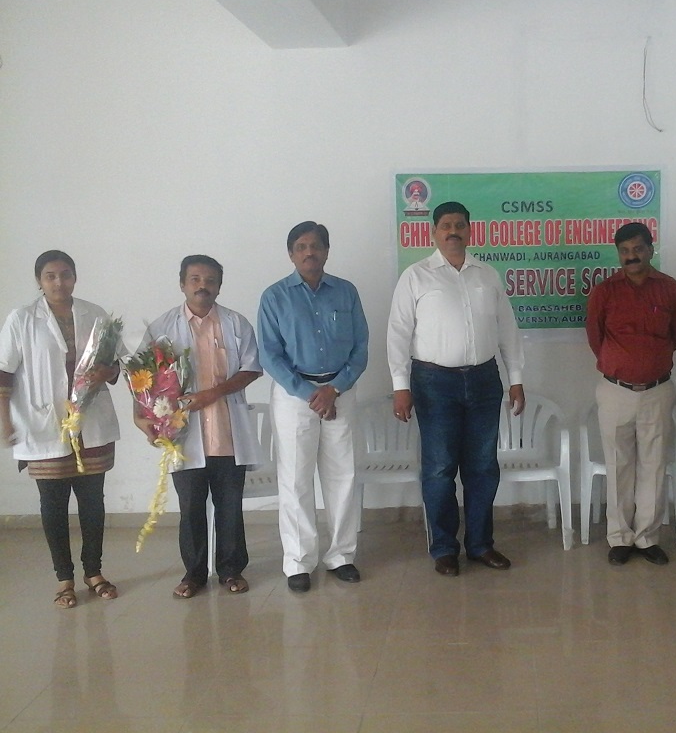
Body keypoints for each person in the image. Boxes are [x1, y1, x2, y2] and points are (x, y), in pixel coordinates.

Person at [387, 200, 525, 577]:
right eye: (446, 225)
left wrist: (516, 379)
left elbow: (508, 330)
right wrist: (400, 386)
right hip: (434, 383)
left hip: (484, 380)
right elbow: (398, 333)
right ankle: (444, 548)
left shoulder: (487, 275)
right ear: (434, 232)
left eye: (459, 225)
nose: (453, 231)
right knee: (439, 469)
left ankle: (480, 545)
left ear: (469, 230)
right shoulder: (416, 276)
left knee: (483, 467)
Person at [0, 251, 120, 608]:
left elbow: (117, 365)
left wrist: (106, 372)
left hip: (90, 422)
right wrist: (4, 419)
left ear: (75, 277)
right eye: (50, 276)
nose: (59, 282)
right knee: (53, 505)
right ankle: (64, 579)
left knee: (93, 502)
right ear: (39, 280)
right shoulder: (22, 318)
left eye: (66, 274)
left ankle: (94, 572)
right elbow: (4, 372)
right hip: (43, 423)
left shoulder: (95, 314)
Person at [137, 255, 263, 598]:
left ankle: (231, 571)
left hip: (227, 431)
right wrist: (143, 417)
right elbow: (142, 378)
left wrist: (212, 393)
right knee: (190, 507)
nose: (202, 286)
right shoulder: (161, 328)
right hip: (184, 434)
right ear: (182, 284)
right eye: (195, 279)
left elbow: (252, 369)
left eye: (209, 280)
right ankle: (193, 575)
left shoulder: (236, 324)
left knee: (229, 506)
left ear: (219, 286)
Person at [258, 222, 368, 592]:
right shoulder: (274, 297)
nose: (309, 252)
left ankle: (341, 556)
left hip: (340, 392)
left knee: (343, 476)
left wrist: (333, 389)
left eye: (316, 246)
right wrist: (310, 393)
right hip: (294, 396)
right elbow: (270, 355)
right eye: (302, 247)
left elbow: (361, 347)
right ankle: (298, 562)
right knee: (295, 480)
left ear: (326, 251)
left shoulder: (346, 292)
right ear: (291, 254)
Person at [586, 221, 676, 566]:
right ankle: (620, 538)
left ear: (650, 249)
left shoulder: (670, 289)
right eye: (625, 251)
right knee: (619, 465)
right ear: (618, 254)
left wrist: (647, 363)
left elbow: (675, 336)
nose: (632, 256)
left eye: (638, 249)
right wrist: (623, 364)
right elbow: (596, 338)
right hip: (616, 392)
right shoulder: (604, 292)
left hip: (658, 391)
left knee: (654, 466)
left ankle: (647, 537)